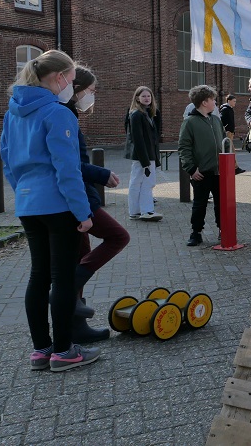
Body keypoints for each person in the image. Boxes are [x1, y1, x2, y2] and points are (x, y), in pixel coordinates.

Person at [0, 49, 100, 372]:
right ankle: (64, 351)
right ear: (59, 79)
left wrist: (25, 195)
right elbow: (68, 170)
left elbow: (7, 161)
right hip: (58, 206)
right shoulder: (59, 114)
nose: (72, 87)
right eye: (71, 80)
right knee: (63, 278)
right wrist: (83, 213)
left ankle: (41, 350)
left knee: (38, 276)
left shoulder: (12, 113)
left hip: (28, 205)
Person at [67, 66, 129, 344]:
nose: (92, 96)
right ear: (75, 87)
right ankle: (69, 289)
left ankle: (75, 324)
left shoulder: (69, 113)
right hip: (77, 198)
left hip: (74, 197)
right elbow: (70, 165)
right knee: (118, 236)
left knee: (80, 254)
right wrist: (102, 175)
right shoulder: (63, 115)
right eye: (91, 91)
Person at [178, 85, 224, 246]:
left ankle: (223, 230)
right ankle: (196, 232)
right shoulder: (190, 122)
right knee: (199, 204)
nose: (215, 103)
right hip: (202, 172)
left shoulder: (216, 120)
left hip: (220, 172)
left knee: (221, 203)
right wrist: (191, 169)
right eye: (213, 100)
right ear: (204, 102)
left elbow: (225, 142)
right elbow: (184, 147)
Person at [125, 86, 163, 221]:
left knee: (140, 181)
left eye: (149, 96)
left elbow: (155, 137)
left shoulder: (151, 114)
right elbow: (137, 139)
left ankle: (136, 211)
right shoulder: (136, 114)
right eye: (144, 96)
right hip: (142, 155)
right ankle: (146, 210)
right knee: (143, 182)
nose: (147, 98)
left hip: (149, 154)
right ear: (137, 98)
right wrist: (145, 161)